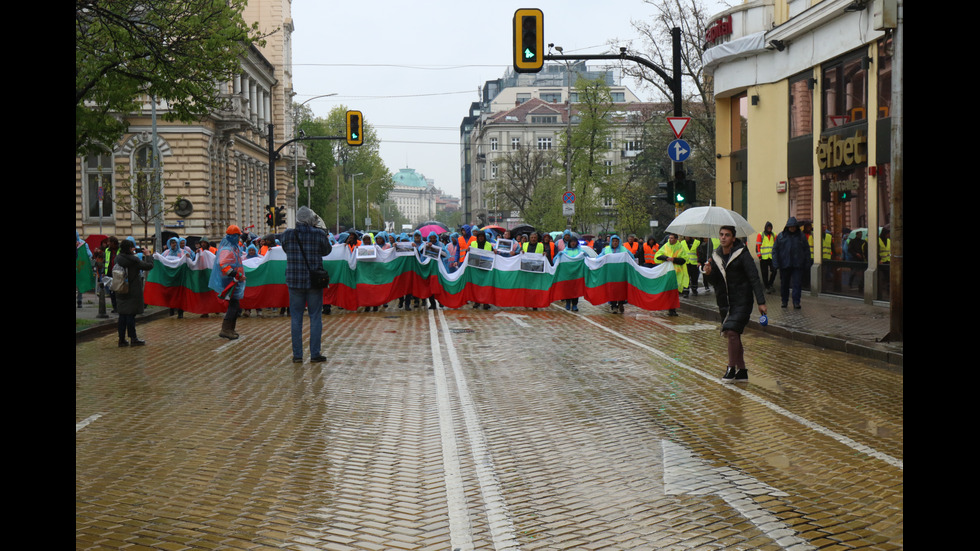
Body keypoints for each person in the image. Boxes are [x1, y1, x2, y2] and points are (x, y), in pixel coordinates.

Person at [702, 225, 767, 383]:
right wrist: (709, 273)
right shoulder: (716, 256)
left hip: (742, 300)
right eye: (721, 234)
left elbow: (754, 278)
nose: (723, 237)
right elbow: (715, 281)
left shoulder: (742, 254)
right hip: (725, 302)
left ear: (733, 238)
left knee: (731, 331)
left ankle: (731, 368)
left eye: (727, 235)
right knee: (734, 334)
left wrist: (761, 302)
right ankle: (742, 371)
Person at [282, 206, 332, 363]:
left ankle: (297, 355)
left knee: (296, 318)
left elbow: (285, 249)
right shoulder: (318, 234)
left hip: (294, 282)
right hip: (313, 282)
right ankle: (315, 353)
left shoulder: (288, 234)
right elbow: (327, 251)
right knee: (315, 316)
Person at [115, 237, 155, 347]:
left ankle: (122, 339)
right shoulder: (133, 260)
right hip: (132, 290)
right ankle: (133, 338)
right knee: (130, 316)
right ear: (129, 248)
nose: (134, 249)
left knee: (122, 316)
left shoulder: (118, 258)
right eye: (132, 248)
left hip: (120, 288)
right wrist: (148, 255)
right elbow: (149, 266)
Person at [209, 225, 247, 339]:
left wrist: (244, 238)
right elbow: (223, 264)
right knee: (234, 306)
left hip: (235, 279)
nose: (238, 238)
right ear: (233, 236)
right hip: (230, 280)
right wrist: (234, 274)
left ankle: (230, 329)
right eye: (238, 236)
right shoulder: (227, 249)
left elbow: (239, 245)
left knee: (235, 306)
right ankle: (226, 329)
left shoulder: (233, 246)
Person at [771, 217, 810, 309]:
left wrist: (807, 263)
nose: (792, 228)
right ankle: (784, 301)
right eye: (790, 226)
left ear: (796, 227)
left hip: (797, 265)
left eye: (794, 226)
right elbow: (775, 250)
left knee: (797, 284)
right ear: (787, 227)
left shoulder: (801, 236)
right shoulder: (781, 236)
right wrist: (775, 264)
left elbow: (807, 250)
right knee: (784, 284)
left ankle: (796, 302)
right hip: (785, 265)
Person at [599, 235, 633, 313]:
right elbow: (599, 258)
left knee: (621, 289)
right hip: (610, 274)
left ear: (619, 242)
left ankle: (621, 303)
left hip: (621, 274)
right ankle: (613, 306)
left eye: (616, 241)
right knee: (612, 289)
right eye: (613, 241)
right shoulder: (606, 250)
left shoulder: (624, 250)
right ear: (611, 242)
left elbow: (632, 257)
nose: (615, 243)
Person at [656, 233, 688, 316]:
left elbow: (684, 260)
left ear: (676, 239)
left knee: (674, 292)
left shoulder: (680, 247)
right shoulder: (666, 246)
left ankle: (672, 309)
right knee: (668, 291)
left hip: (677, 273)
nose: (670, 239)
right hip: (668, 273)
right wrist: (666, 258)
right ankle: (670, 308)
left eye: (672, 238)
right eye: (669, 238)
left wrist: (674, 259)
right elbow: (657, 256)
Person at [555, 234, 586, 311]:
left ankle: (575, 304)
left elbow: (588, 260)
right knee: (567, 289)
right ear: (569, 243)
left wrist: (586, 255)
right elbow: (555, 260)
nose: (573, 243)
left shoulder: (581, 251)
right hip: (567, 275)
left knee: (576, 290)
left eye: (574, 242)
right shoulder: (565, 251)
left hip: (577, 275)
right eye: (571, 242)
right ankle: (568, 303)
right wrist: (558, 256)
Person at [756, 222, 776, 293]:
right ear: (766, 228)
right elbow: (757, 246)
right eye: (768, 228)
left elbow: (776, 246)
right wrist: (759, 256)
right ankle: (767, 287)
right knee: (765, 273)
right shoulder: (760, 235)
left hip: (771, 257)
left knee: (774, 271)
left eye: (770, 228)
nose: (769, 229)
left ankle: (770, 284)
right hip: (763, 258)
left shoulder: (774, 235)